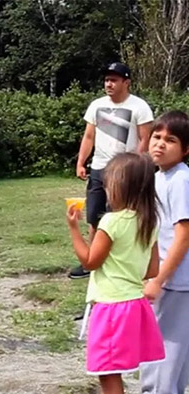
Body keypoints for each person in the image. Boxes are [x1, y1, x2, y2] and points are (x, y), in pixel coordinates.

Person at [67, 152, 164, 394]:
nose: (107, 189)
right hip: (135, 304)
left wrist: (73, 228)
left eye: (110, 183)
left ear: (123, 187)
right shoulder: (148, 222)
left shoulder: (111, 222)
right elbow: (152, 270)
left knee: (108, 375)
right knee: (115, 372)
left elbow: (89, 261)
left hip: (112, 309)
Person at [124, 111, 189, 394]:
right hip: (164, 278)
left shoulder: (181, 179)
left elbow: (184, 235)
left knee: (164, 346)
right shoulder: (159, 176)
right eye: (157, 137)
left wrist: (160, 278)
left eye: (171, 140)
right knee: (162, 343)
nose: (160, 144)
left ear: (185, 149)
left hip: (176, 280)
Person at [70, 62, 154, 280]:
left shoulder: (139, 107)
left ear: (126, 82)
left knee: (123, 216)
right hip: (99, 168)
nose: (109, 84)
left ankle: (122, 258)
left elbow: (145, 139)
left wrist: (134, 166)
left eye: (114, 80)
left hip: (125, 172)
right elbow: (89, 136)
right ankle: (92, 260)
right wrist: (81, 162)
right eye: (107, 80)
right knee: (95, 216)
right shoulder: (96, 105)